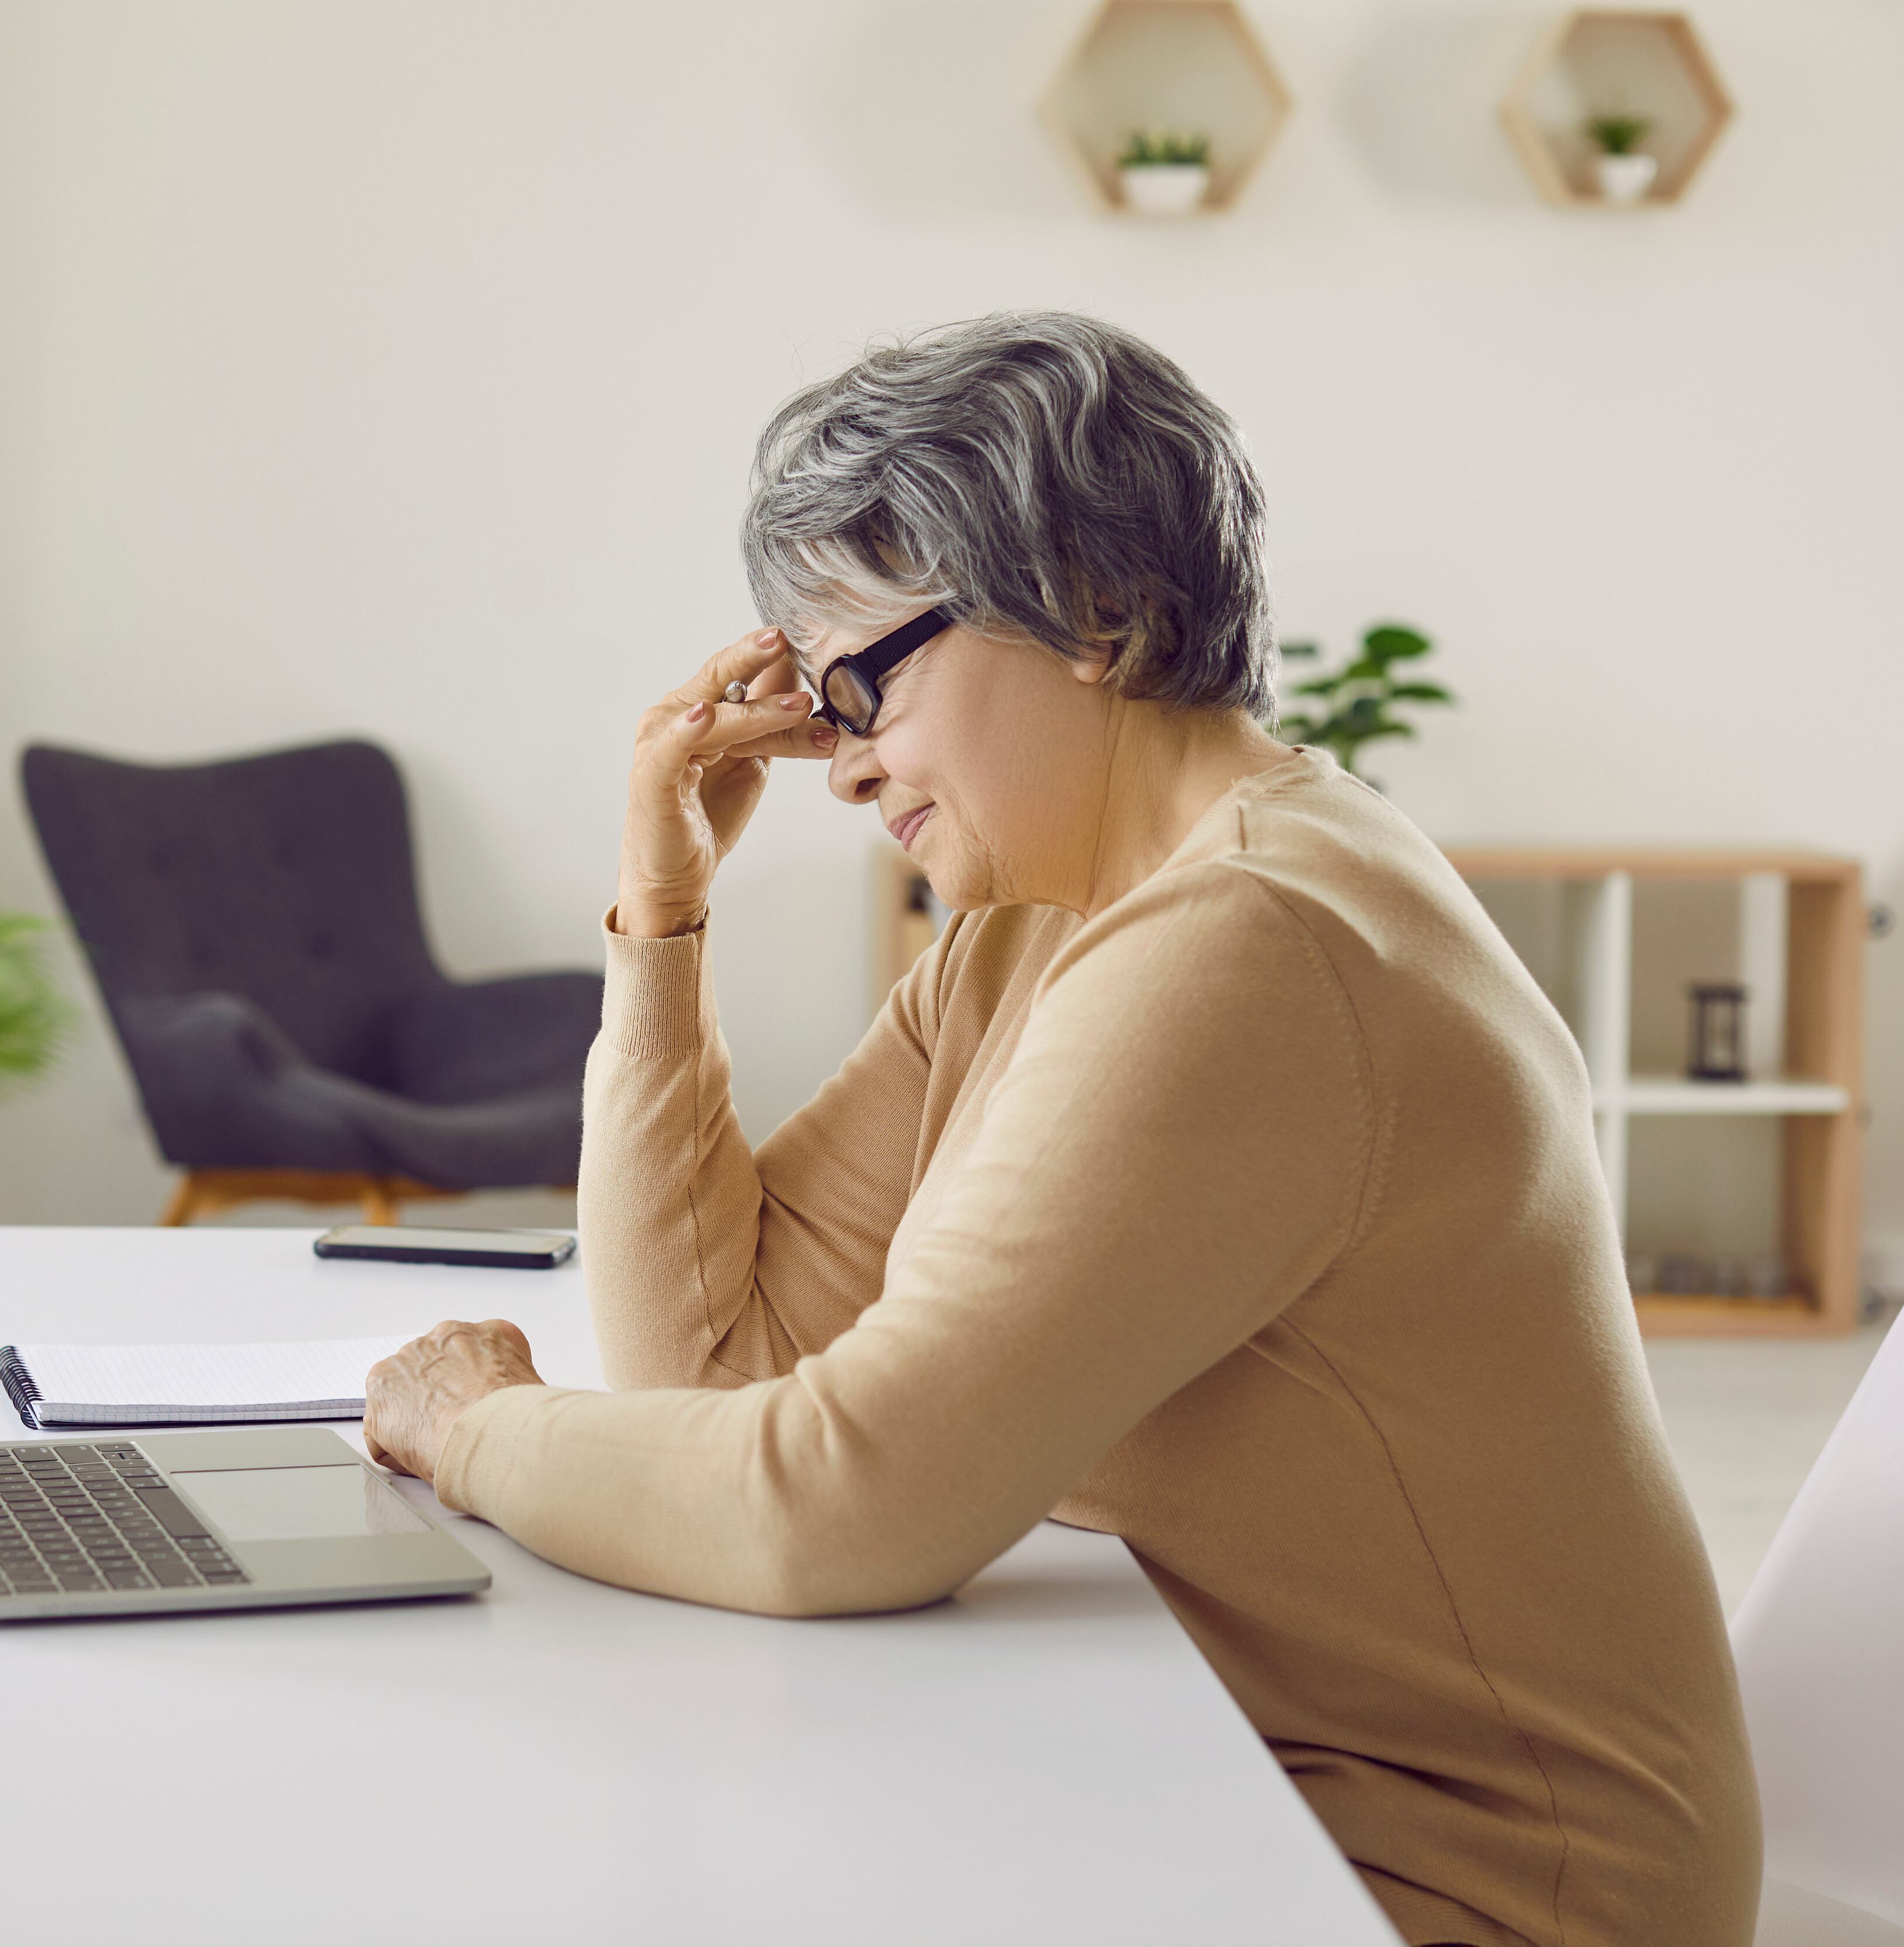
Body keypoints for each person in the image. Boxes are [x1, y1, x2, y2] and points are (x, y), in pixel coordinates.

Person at [362, 313, 1757, 1947]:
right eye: (820, 705)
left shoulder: (1255, 938)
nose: (840, 769)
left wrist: (480, 1430)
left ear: (1094, 611)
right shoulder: (1037, 927)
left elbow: (836, 1507)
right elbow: (714, 1368)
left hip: (1451, 1896)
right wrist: (661, 917)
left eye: (863, 687)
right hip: (1211, 1790)